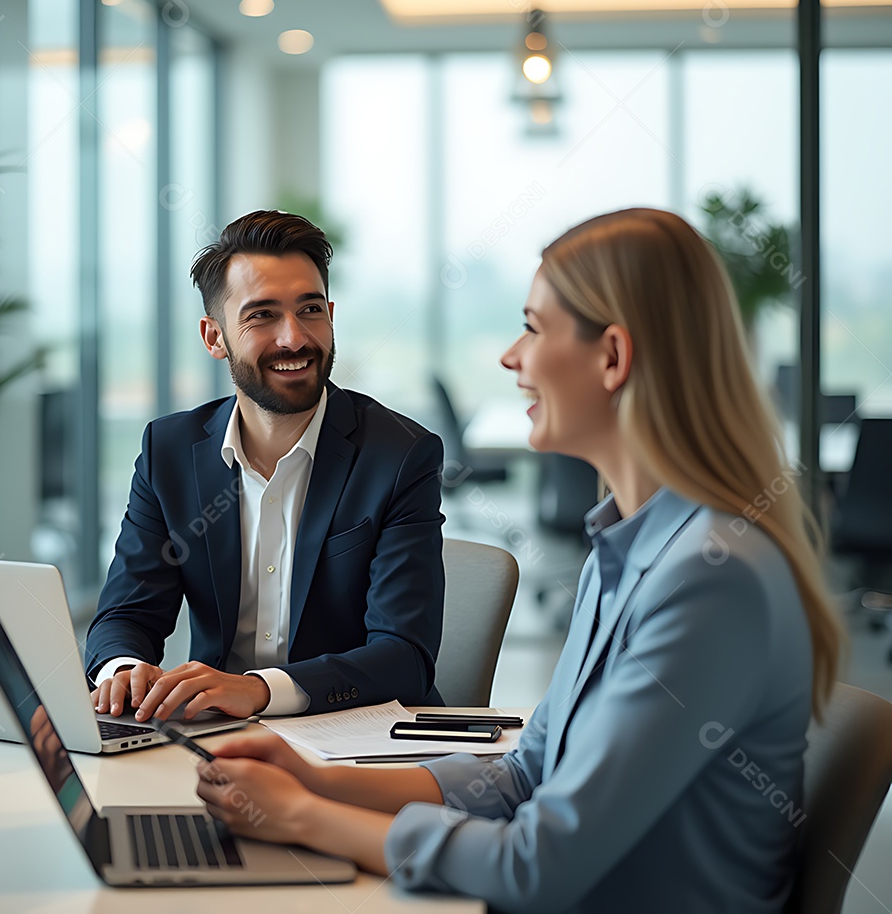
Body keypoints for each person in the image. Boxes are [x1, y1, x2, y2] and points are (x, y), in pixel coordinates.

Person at [193, 208, 844, 913]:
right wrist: (315, 779)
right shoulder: (624, 553)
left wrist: (301, 817)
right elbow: (523, 777)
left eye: (533, 328)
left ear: (612, 357)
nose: (512, 357)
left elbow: (537, 866)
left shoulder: (709, 580)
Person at [86, 210, 445, 722]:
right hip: (217, 736)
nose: (294, 338)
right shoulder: (169, 451)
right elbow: (126, 614)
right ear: (214, 338)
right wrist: (123, 669)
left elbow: (404, 656)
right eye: (262, 316)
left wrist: (259, 690)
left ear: (331, 316)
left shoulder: (400, 455)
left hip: (356, 737)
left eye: (310, 310)